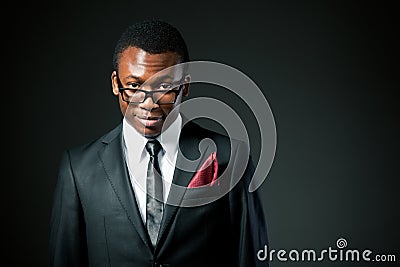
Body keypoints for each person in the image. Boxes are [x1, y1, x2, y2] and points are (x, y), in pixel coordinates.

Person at [49, 19, 269, 267]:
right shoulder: (78, 169)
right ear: (115, 83)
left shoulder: (231, 157)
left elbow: (250, 258)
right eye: (133, 86)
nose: (148, 103)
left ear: (185, 85)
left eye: (164, 87)